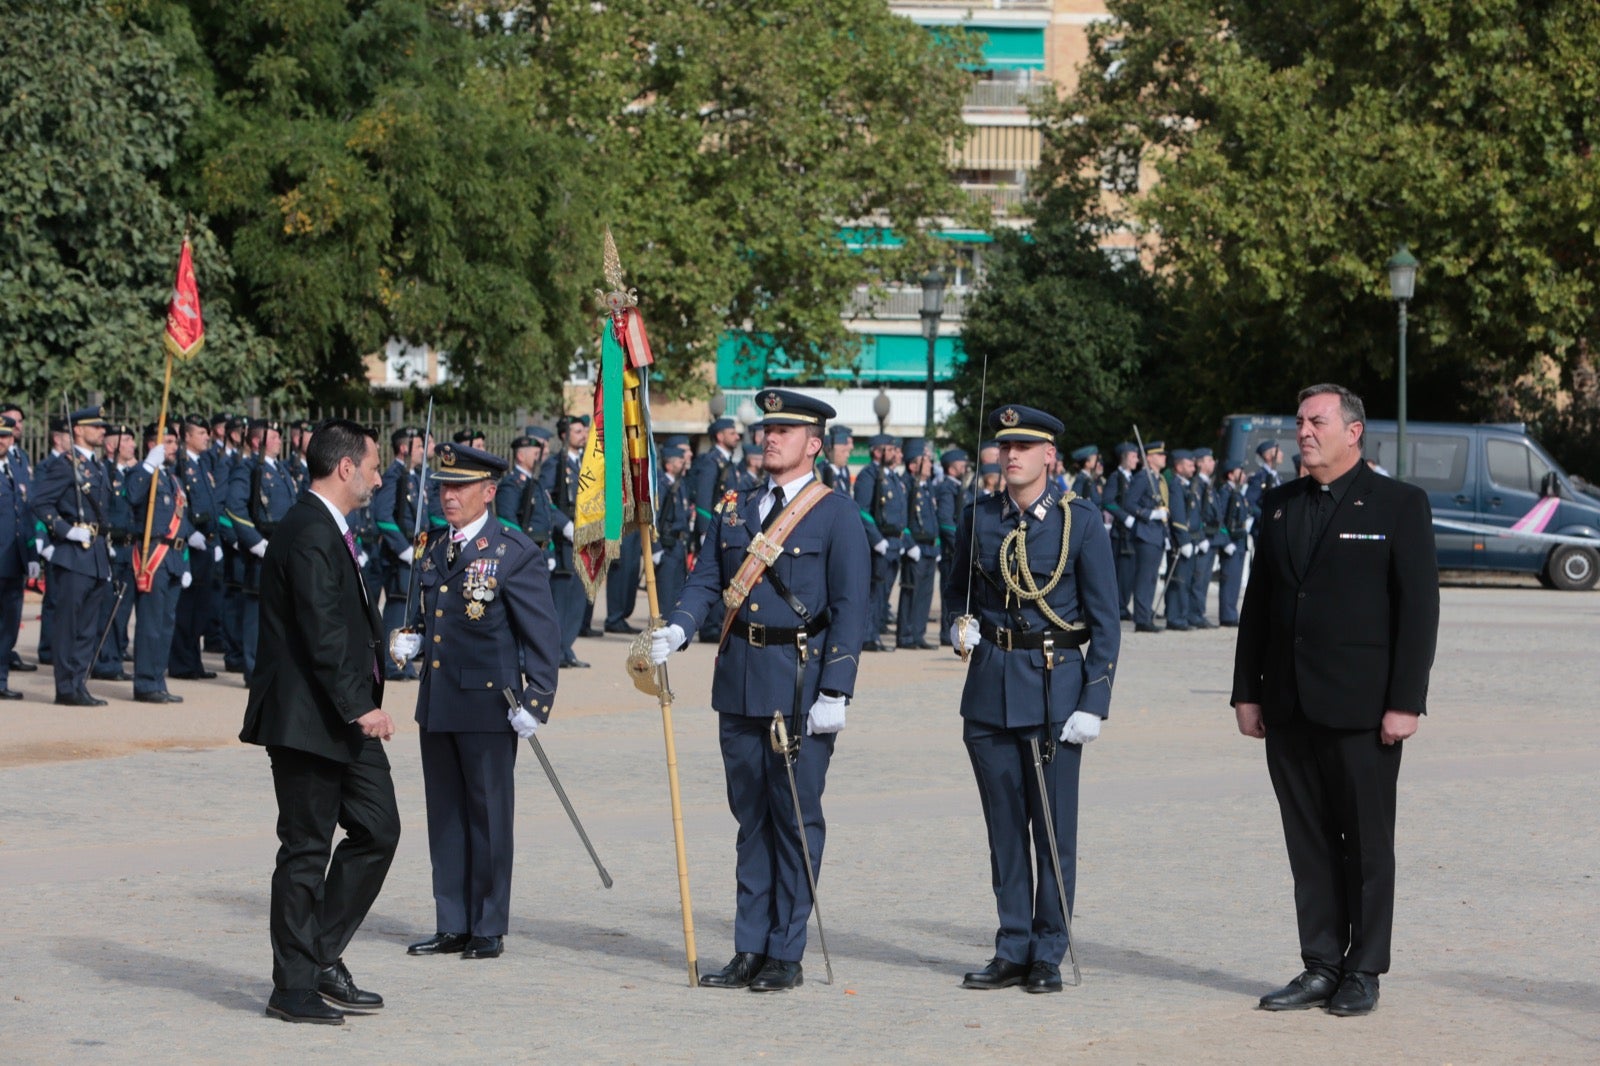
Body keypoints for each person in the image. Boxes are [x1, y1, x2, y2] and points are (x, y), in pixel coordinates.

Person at [648, 388, 869, 993]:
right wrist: (679, 627)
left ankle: (785, 950)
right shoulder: (735, 507)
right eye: (767, 428)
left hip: (799, 683)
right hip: (740, 678)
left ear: (814, 444)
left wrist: (837, 690)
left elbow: (851, 610)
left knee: (793, 819)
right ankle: (749, 944)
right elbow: (706, 581)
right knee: (750, 820)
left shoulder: (836, 513)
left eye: (786, 431)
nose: (770, 437)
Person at [1230, 384, 1439, 1018]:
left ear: (1354, 431)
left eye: (1316, 421)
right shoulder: (1279, 503)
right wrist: (1246, 692)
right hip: (1289, 705)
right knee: (1309, 843)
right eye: (1299, 421)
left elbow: (1418, 611)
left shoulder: (1400, 504)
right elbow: (1259, 607)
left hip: (1363, 711)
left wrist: (1406, 701)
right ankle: (1320, 963)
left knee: (1368, 846)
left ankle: (1364, 969)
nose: (1304, 431)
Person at [946, 404, 1121, 995]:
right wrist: (956, 625)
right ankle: (1012, 944)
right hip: (990, 689)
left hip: (1054, 691)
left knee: (1051, 831)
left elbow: (1106, 621)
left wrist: (1094, 701)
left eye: (1025, 446)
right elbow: (956, 592)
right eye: (1004, 446)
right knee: (1003, 832)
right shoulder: (979, 519)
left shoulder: (1080, 522)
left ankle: (1049, 949)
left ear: (1050, 456)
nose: (1011, 455)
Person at [239, 418, 397, 1026]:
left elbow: (345, 621)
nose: (379, 478)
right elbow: (321, 630)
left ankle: (321, 953)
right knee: (306, 849)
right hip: (311, 718)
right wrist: (361, 706)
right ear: (346, 467)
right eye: (375, 465)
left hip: (342, 715)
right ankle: (294, 984)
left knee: (379, 829)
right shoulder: (307, 529)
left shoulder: (328, 527)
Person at [389, 443, 560, 961]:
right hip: (440, 700)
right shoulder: (433, 545)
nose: (449, 496)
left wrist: (538, 698)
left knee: (488, 815)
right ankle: (452, 921)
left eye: (460, 487)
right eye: (444, 486)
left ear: (489, 492)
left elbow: (542, 634)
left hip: (490, 703)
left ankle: (487, 924)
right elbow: (431, 610)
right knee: (445, 815)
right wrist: (413, 636)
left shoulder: (513, 550)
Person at [30, 406, 113, 706]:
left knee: (88, 627)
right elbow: (40, 502)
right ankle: (66, 687)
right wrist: (65, 530)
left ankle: (79, 683)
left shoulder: (98, 466)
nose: (102, 431)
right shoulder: (65, 465)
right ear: (78, 430)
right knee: (69, 625)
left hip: (95, 555)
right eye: (96, 426)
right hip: (73, 555)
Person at [124, 421, 193, 704]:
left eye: (176, 443)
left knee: (166, 624)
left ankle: (157, 679)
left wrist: (186, 564)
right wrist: (146, 467)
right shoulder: (143, 473)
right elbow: (131, 495)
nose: (174, 448)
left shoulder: (173, 479)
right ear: (152, 444)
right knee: (150, 624)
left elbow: (183, 524)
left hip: (175, 557)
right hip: (155, 556)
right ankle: (145, 683)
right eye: (168, 442)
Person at [228, 419, 297, 685]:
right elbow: (235, 507)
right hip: (262, 548)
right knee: (257, 614)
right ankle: (254, 669)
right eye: (274, 436)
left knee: (280, 612)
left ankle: (276, 667)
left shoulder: (279, 469)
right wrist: (256, 543)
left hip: (282, 547)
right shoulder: (247, 468)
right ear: (257, 442)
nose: (280, 439)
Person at [171, 414, 220, 680]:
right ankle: (181, 662)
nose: (206, 437)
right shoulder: (179, 465)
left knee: (201, 608)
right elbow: (178, 505)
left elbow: (212, 504)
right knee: (186, 607)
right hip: (190, 544)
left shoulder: (203, 463)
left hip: (207, 543)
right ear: (187, 436)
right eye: (201, 433)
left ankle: (194, 659)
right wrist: (189, 534)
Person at [374, 426, 425, 681]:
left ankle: (402, 661)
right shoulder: (394, 476)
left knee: (411, 609)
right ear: (404, 449)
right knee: (397, 609)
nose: (423, 452)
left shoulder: (413, 476)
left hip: (414, 554)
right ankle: (391, 663)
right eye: (418, 447)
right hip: (399, 556)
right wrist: (404, 549)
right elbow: (382, 516)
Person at [541, 415, 588, 666]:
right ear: (563, 435)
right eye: (577, 431)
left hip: (584, 538)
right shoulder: (554, 465)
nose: (583, 434)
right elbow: (545, 502)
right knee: (562, 598)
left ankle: (567, 647)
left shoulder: (584, 464)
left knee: (578, 598)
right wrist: (565, 525)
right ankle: (556, 650)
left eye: (584, 430)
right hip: (564, 540)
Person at [853, 434, 905, 652]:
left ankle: (875, 633)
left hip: (893, 541)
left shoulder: (891, 477)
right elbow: (862, 510)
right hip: (880, 542)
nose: (894, 453)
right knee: (874, 592)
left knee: (884, 593)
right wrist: (876, 540)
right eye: (889, 449)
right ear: (876, 451)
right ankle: (867, 636)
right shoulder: (868, 475)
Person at [0, 416, 37, 698]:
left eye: (7, 436)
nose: (3, 441)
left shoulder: (16, 469)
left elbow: (25, 515)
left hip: (14, 562)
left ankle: (0, 680)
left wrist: (33, 553)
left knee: (9, 626)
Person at [896, 438, 939, 649]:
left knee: (925, 595)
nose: (930, 464)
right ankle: (905, 635)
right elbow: (902, 519)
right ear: (913, 465)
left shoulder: (927, 487)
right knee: (911, 592)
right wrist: (909, 543)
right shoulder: (906, 485)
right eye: (926, 460)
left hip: (930, 547)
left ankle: (918, 633)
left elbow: (933, 518)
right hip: (915, 547)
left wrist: (937, 544)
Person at [652, 440, 692, 616]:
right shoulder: (661, 485)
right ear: (669, 465)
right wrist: (655, 548)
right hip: (666, 546)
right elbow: (653, 518)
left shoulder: (680, 484)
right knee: (666, 594)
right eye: (678, 461)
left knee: (678, 591)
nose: (682, 463)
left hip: (678, 545)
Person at [934, 447, 969, 645]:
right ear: (951, 468)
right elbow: (946, 521)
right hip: (951, 551)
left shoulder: (959, 487)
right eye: (960, 463)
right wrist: (961, 540)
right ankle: (947, 633)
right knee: (951, 594)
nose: (965, 466)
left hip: (958, 549)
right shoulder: (947, 488)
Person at [1214, 459, 1250, 626]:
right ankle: (1227, 615)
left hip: (1240, 540)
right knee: (1229, 578)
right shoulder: (1225, 492)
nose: (1242, 474)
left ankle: (1231, 612)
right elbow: (1220, 518)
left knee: (1235, 580)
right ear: (1230, 474)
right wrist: (1225, 541)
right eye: (1238, 471)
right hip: (1231, 541)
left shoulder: (1237, 492)